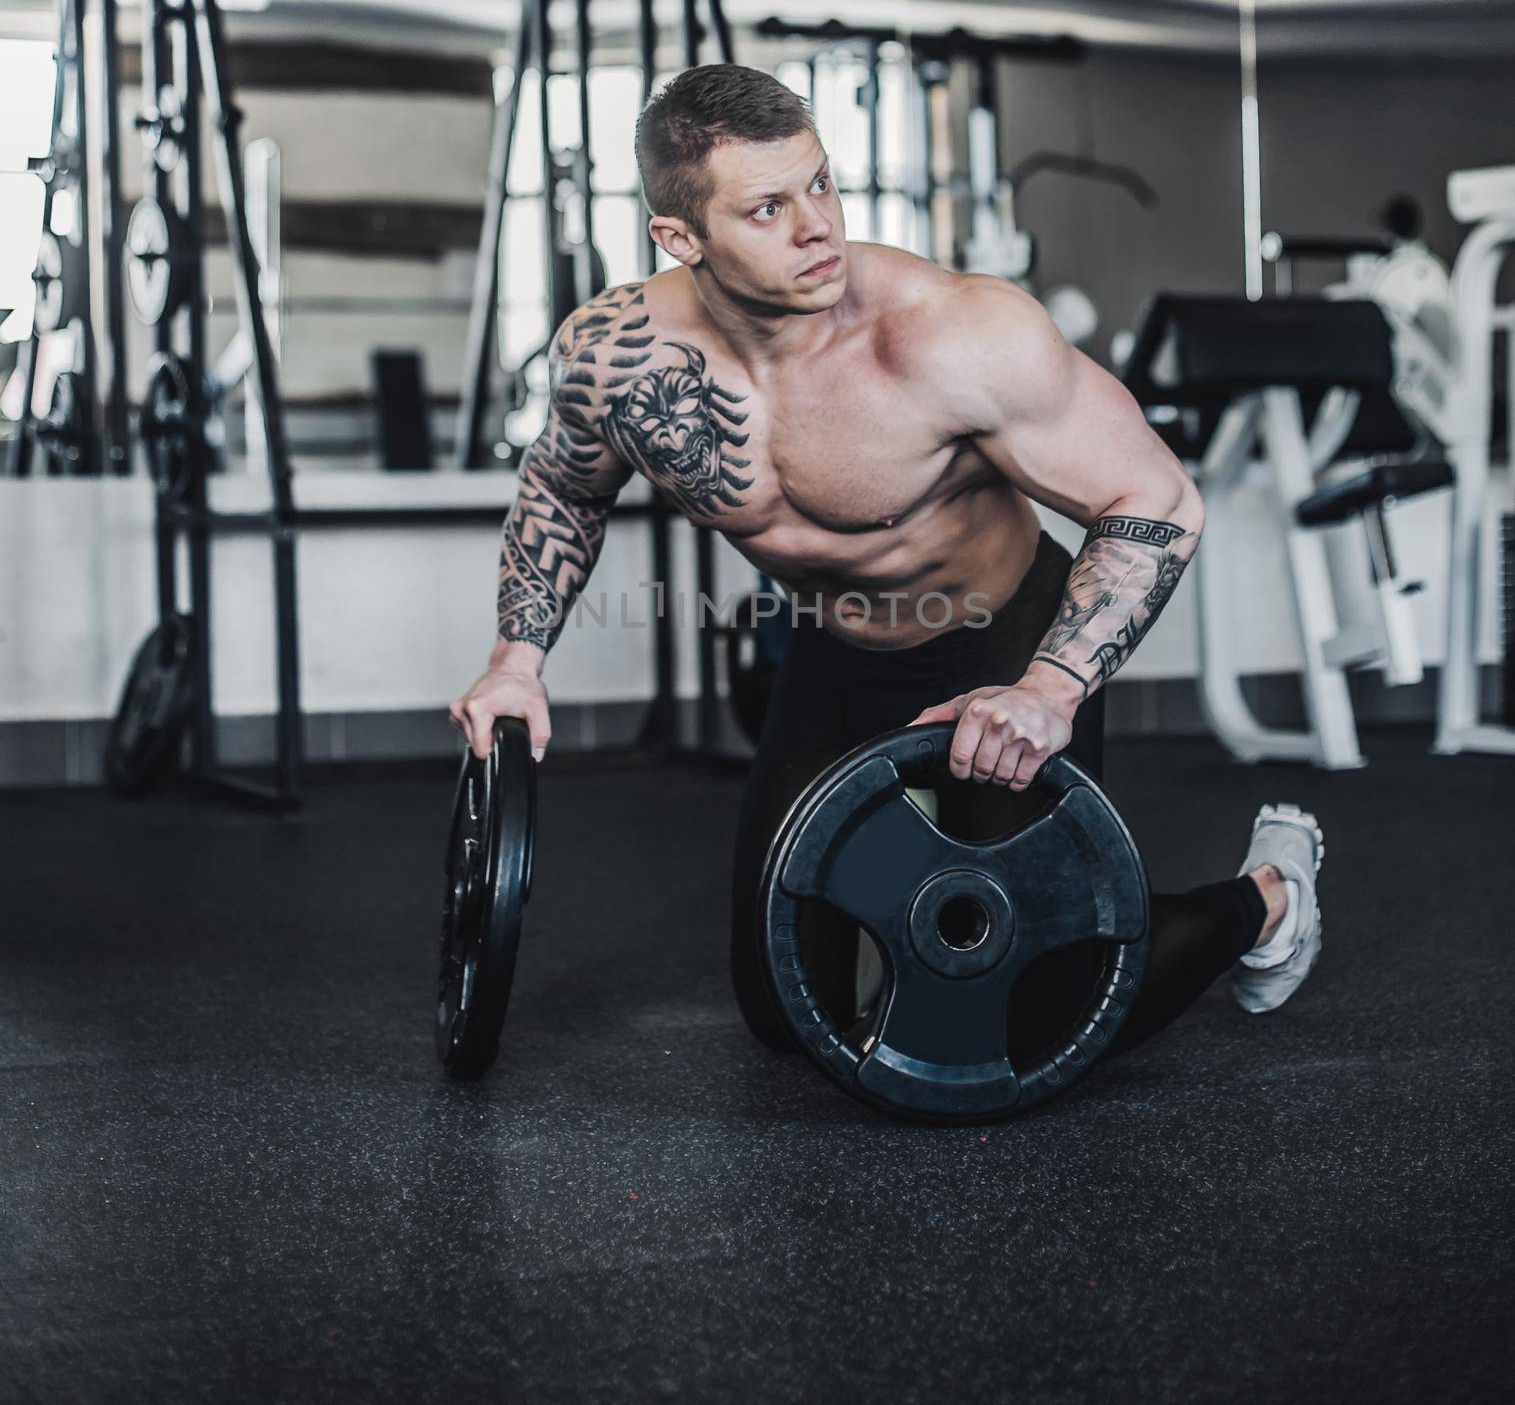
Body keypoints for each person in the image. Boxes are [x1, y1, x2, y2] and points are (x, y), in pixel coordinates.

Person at [450, 63, 1324, 1059]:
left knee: (1042, 1018)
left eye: (820, 182)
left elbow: (1155, 498)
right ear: (682, 238)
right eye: (768, 207)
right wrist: (517, 660)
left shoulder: (953, 336)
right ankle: (914, 930)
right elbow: (566, 484)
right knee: (787, 1014)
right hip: (833, 655)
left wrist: (1049, 687)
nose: (819, 225)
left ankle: (1267, 898)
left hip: (1003, 642)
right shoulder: (615, 356)